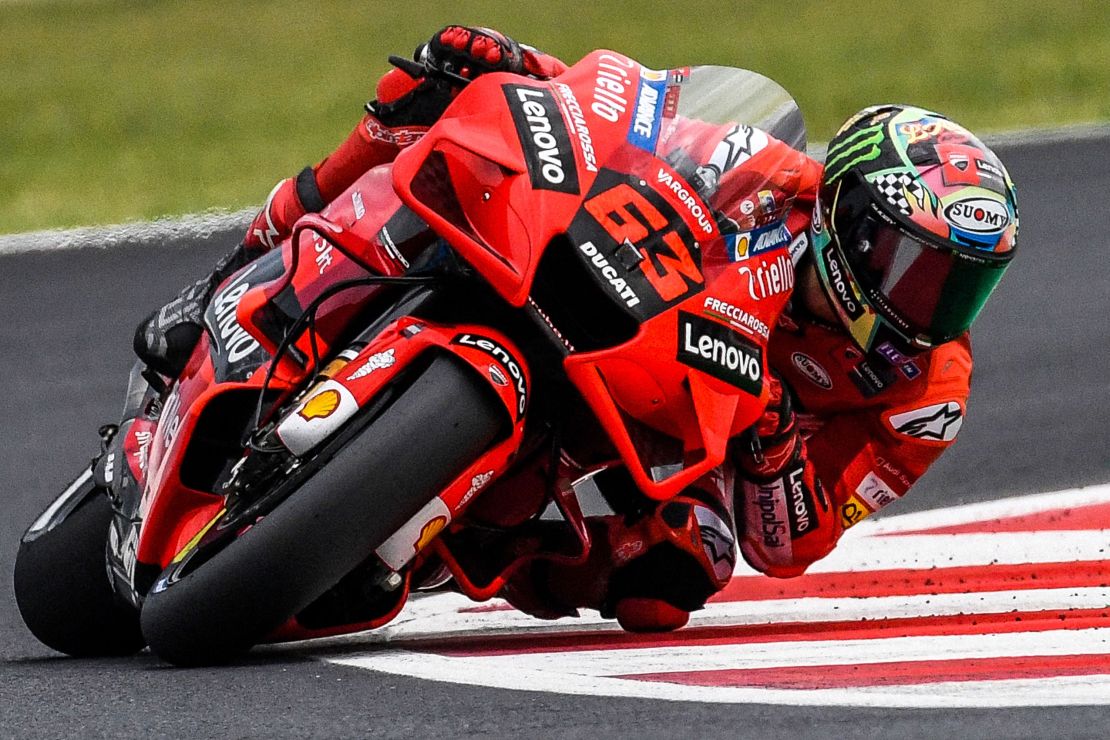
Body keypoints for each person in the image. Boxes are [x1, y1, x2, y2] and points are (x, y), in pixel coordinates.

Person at [133, 27, 1019, 632]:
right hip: (603, 298)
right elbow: (634, 117)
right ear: (851, 221)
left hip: (678, 427)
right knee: (427, 92)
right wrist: (529, 67)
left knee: (681, 571)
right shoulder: (774, 178)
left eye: (963, 286)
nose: (937, 307)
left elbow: (790, 546)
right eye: (924, 268)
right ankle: (238, 264)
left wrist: (777, 442)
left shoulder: (923, 396)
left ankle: (491, 544)